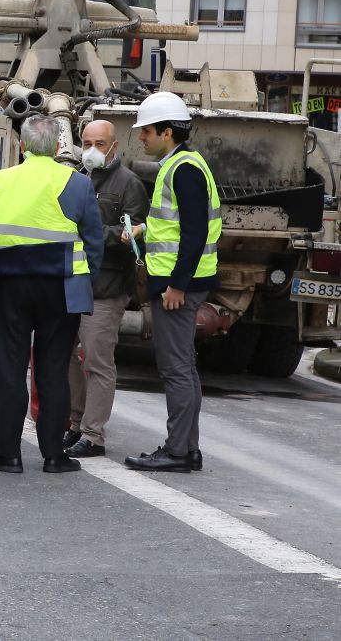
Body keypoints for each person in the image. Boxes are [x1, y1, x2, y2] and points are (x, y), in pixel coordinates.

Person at [0, 114, 104, 475]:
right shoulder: (78, 185)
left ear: (21, 146)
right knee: (52, 371)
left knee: (8, 369)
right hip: (62, 289)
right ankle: (54, 455)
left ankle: (7, 454)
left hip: (9, 287)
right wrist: (84, 280)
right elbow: (94, 244)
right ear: (57, 148)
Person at [123, 93, 218, 473]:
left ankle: (178, 451)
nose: (141, 138)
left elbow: (195, 234)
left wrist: (176, 285)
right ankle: (187, 448)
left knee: (175, 369)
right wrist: (144, 231)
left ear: (166, 131)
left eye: (146, 131)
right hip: (185, 282)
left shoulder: (184, 170)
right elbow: (179, 227)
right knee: (185, 367)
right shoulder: (182, 165)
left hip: (180, 287)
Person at [65, 119, 149, 459]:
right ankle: (75, 424)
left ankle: (93, 435)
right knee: (69, 357)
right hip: (74, 282)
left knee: (97, 361)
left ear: (114, 146)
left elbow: (135, 236)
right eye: (86, 143)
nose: (91, 150)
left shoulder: (129, 184)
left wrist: (94, 234)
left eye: (99, 144)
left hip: (108, 285)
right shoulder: (78, 178)